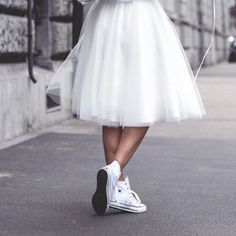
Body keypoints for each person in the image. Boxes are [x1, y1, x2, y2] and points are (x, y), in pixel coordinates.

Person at [46, 0, 215, 215]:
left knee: (110, 105)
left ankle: (119, 188)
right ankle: (114, 170)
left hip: (105, 20)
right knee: (145, 99)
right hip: (141, 19)